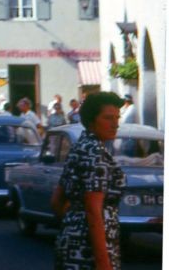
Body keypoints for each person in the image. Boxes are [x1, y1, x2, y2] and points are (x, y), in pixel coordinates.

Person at [52, 91, 125, 270]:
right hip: (89, 251)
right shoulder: (96, 154)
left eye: (117, 117)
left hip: (71, 242)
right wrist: (103, 262)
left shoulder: (80, 147)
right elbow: (93, 210)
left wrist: (74, 223)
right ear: (91, 120)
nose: (115, 124)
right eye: (108, 118)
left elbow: (55, 202)